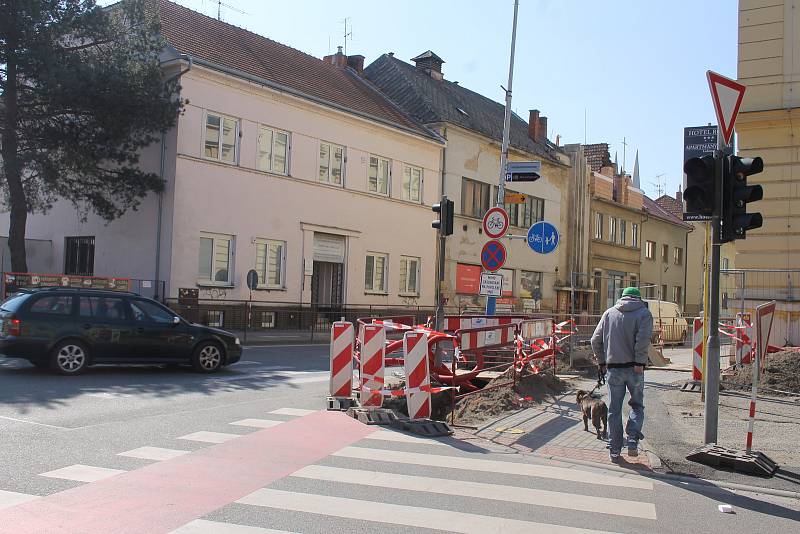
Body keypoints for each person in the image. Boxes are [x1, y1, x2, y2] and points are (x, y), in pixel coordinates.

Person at [590, 286, 653, 462]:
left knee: (614, 410)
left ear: (622, 298)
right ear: (638, 298)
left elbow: (595, 340)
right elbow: (643, 340)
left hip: (613, 369)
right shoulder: (644, 314)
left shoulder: (609, 313)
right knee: (637, 405)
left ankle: (615, 449)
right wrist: (640, 362)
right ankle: (632, 438)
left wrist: (602, 362)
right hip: (635, 369)